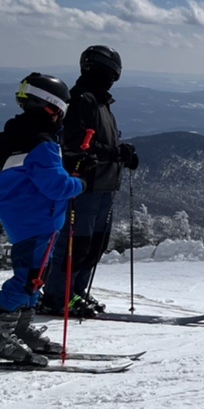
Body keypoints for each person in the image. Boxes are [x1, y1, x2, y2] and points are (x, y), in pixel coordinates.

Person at [39, 45, 139, 318]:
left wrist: (122, 155)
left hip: (103, 184)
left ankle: (75, 293)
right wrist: (116, 154)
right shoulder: (82, 100)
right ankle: (58, 297)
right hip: (84, 184)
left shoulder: (99, 101)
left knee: (94, 246)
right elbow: (75, 144)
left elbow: (101, 141)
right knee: (76, 245)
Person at [0, 74, 85, 365]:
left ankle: (19, 327)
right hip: (39, 221)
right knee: (29, 278)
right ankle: (2, 329)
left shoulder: (15, 136)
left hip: (22, 218)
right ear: (53, 108)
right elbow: (56, 187)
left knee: (36, 277)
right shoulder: (42, 144)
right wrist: (78, 182)